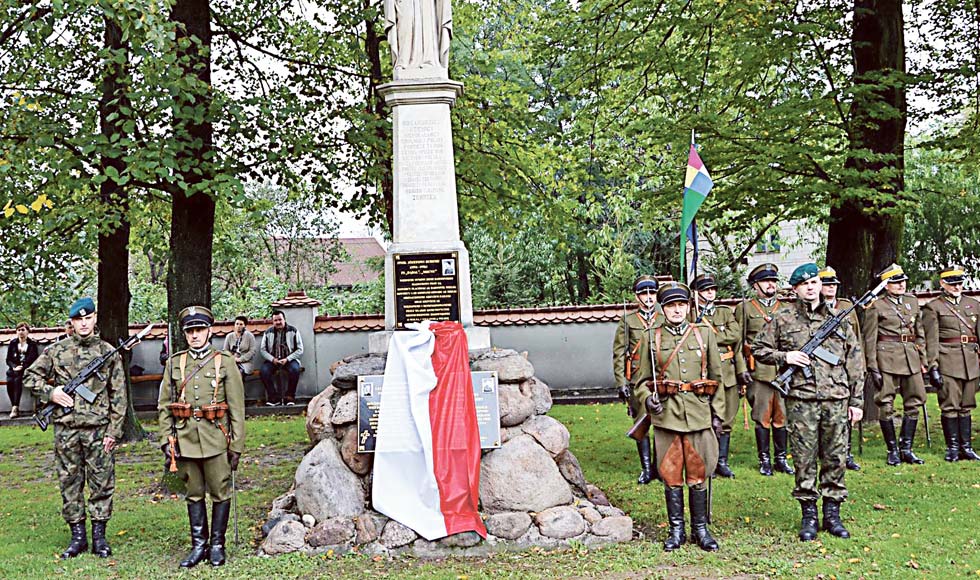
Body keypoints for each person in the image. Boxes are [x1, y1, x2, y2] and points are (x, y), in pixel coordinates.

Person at [753, 263, 865, 541]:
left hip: (837, 399)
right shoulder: (783, 319)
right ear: (795, 289)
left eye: (814, 282)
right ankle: (809, 516)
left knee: (836, 457)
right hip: (801, 400)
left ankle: (832, 514)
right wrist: (786, 357)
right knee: (804, 458)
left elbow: (855, 361)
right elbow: (759, 349)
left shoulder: (840, 319)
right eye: (804, 284)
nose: (811, 287)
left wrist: (857, 401)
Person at [24, 297, 126, 559]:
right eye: (78, 319)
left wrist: (114, 432)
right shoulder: (56, 351)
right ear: (72, 322)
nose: (83, 323)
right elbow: (29, 377)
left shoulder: (107, 352)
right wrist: (52, 392)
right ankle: (77, 537)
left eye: (87, 318)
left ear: (94, 319)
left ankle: (99, 538)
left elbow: (119, 395)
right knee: (69, 482)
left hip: (98, 430)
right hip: (66, 430)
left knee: (101, 483)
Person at [634, 281, 724, 552]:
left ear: (688, 306)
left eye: (681, 304)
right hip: (667, 415)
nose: (676, 310)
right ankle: (676, 530)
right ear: (663, 308)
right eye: (671, 305)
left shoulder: (703, 334)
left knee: (699, 473)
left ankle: (700, 529)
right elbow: (640, 381)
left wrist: (717, 415)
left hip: (698, 413)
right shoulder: (652, 337)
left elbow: (717, 378)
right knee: (671, 474)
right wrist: (647, 400)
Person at [158, 306, 245, 568]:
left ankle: (217, 545)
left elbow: (237, 408)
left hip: (216, 438)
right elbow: (164, 406)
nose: (195, 335)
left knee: (220, 492)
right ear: (185, 334)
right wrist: (165, 440)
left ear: (209, 331)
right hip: (185, 439)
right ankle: (199, 545)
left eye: (199, 330)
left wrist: (236, 445)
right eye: (190, 331)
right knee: (194, 493)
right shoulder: (175, 363)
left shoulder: (225, 361)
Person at [862, 263, 928, 466]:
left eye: (902, 281)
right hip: (887, 359)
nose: (901, 285)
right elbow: (870, 338)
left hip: (911, 358)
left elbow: (920, 333)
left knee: (915, 400)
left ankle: (906, 448)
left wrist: (923, 358)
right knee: (886, 403)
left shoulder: (912, 302)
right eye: (895, 282)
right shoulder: (876, 305)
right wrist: (872, 367)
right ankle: (892, 450)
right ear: (886, 285)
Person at [735, 263, 794, 476]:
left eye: (773, 281)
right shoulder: (745, 308)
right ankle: (764, 460)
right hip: (758, 371)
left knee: (782, 416)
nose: (771, 285)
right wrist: (742, 371)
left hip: (783, 370)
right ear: (755, 285)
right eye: (766, 281)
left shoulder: (786, 308)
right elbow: (738, 343)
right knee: (762, 416)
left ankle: (781, 459)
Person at [921, 266, 980, 462]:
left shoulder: (973, 304)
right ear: (943, 284)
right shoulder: (933, 307)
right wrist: (933, 366)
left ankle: (967, 447)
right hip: (948, 361)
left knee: (967, 405)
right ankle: (952, 448)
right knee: (950, 406)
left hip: (970, 362)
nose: (957, 286)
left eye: (959, 282)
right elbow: (932, 339)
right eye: (952, 283)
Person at [691, 273, 745, 478]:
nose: (710, 293)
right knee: (705, 418)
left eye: (712, 289)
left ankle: (722, 461)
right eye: (705, 290)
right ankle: (708, 462)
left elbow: (735, 336)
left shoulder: (724, 313)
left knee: (727, 418)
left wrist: (708, 336)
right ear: (697, 293)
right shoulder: (691, 313)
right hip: (703, 373)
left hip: (727, 372)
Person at [612, 275, 663, 484]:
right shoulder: (628, 320)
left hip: (661, 378)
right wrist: (621, 382)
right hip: (637, 379)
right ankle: (647, 468)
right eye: (644, 293)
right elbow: (619, 352)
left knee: (662, 423)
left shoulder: (664, 317)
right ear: (637, 296)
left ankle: (660, 468)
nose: (649, 297)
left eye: (652, 293)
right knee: (642, 422)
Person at [819, 266, 862, 471]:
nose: (831, 288)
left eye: (834, 285)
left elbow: (857, 339)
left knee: (847, 412)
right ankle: (824, 451)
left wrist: (861, 365)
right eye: (827, 285)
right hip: (820, 367)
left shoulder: (846, 306)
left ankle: (847, 452)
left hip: (844, 366)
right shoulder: (814, 308)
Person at [259, 310, 304, 406]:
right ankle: (273, 398)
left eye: (280, 319)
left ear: (284, 319)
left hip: (289, 360)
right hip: (272, 360)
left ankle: (290, 397)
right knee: (264, 371)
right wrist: (272, 359)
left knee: (295, 370)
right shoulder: (268, 332)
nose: (278, 322)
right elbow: (263, 350)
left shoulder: (293, 331)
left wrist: (287, 359)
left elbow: (300, 349)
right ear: (273, 321)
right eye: (275, 320)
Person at [6, 322, 40, 418]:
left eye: (23, 330)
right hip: (14, 370)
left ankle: (15, 408)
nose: (21, 332)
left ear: (27, 331)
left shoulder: (32, 344)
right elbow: (8, 359)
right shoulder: (13, 343)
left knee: (17, 380)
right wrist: (14, 367)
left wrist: (23, 366)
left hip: (26, 370)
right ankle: (14, 405)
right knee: (10, 381)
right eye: (19, 330)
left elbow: (34, 359)